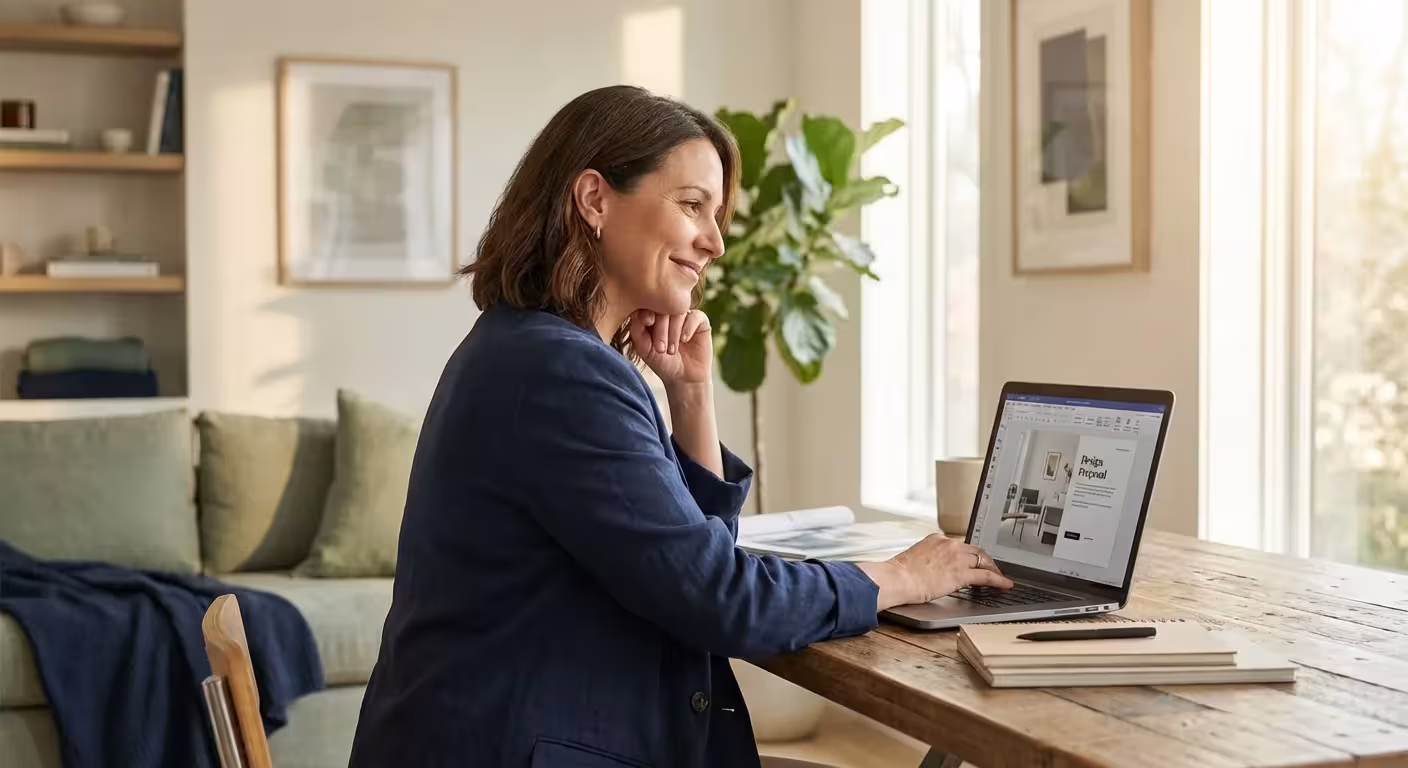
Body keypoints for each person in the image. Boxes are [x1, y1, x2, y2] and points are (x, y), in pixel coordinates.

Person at [347, 85, 1011, 768]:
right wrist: (899, 577)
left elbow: (688, 563)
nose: (716, 241)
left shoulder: (534, 350)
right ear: (595, 200)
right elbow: (718, 598)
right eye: (693, 205)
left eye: (716, 214)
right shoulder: (558, 373)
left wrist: (691, 396)